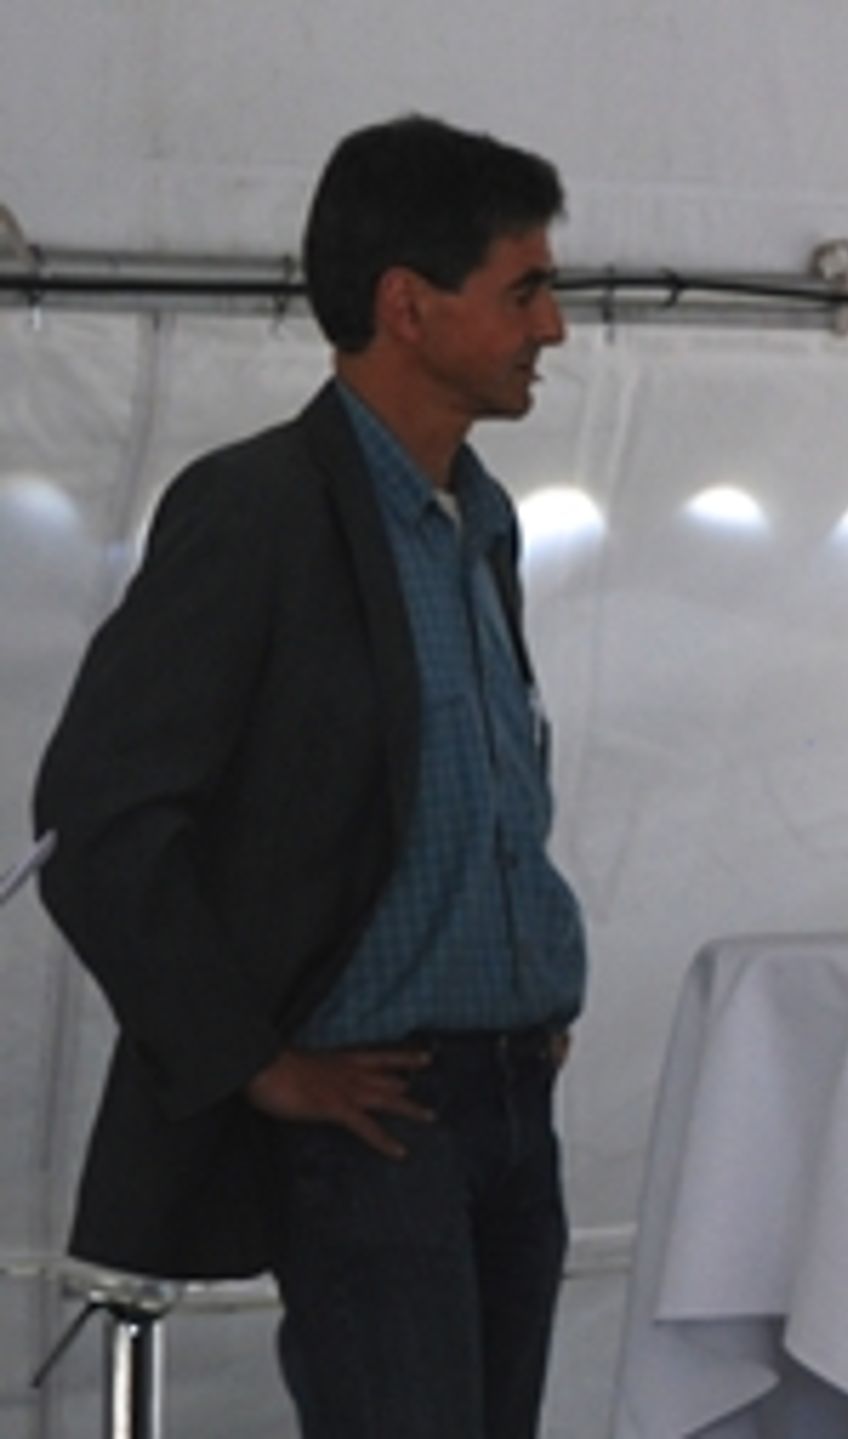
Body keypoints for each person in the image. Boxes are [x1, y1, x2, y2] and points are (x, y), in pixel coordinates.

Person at [32, 115, 584, 1437]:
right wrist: (253, 1058)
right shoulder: (260, 508)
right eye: (525, 289)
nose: (555, 326)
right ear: (408, 305)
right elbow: (99, 819)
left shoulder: (483, 517)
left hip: (513, 1094)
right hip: (379, 1112)